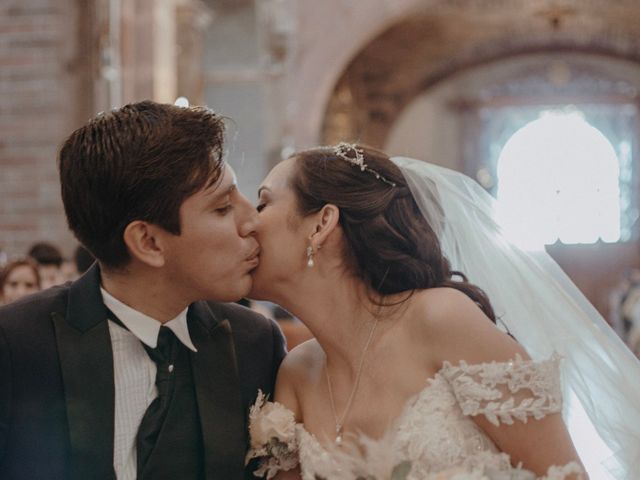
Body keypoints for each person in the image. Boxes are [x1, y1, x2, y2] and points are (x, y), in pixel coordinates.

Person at [245, 143, 640, 480]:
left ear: (321, 224)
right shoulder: (297, 374)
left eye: (263, 203)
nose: (247, 223)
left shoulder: (441, 319)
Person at [0, 100, 286, 480]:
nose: (252, 220)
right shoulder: (17, 345)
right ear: (148, 242)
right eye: (222, 208)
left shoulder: (254, 343)